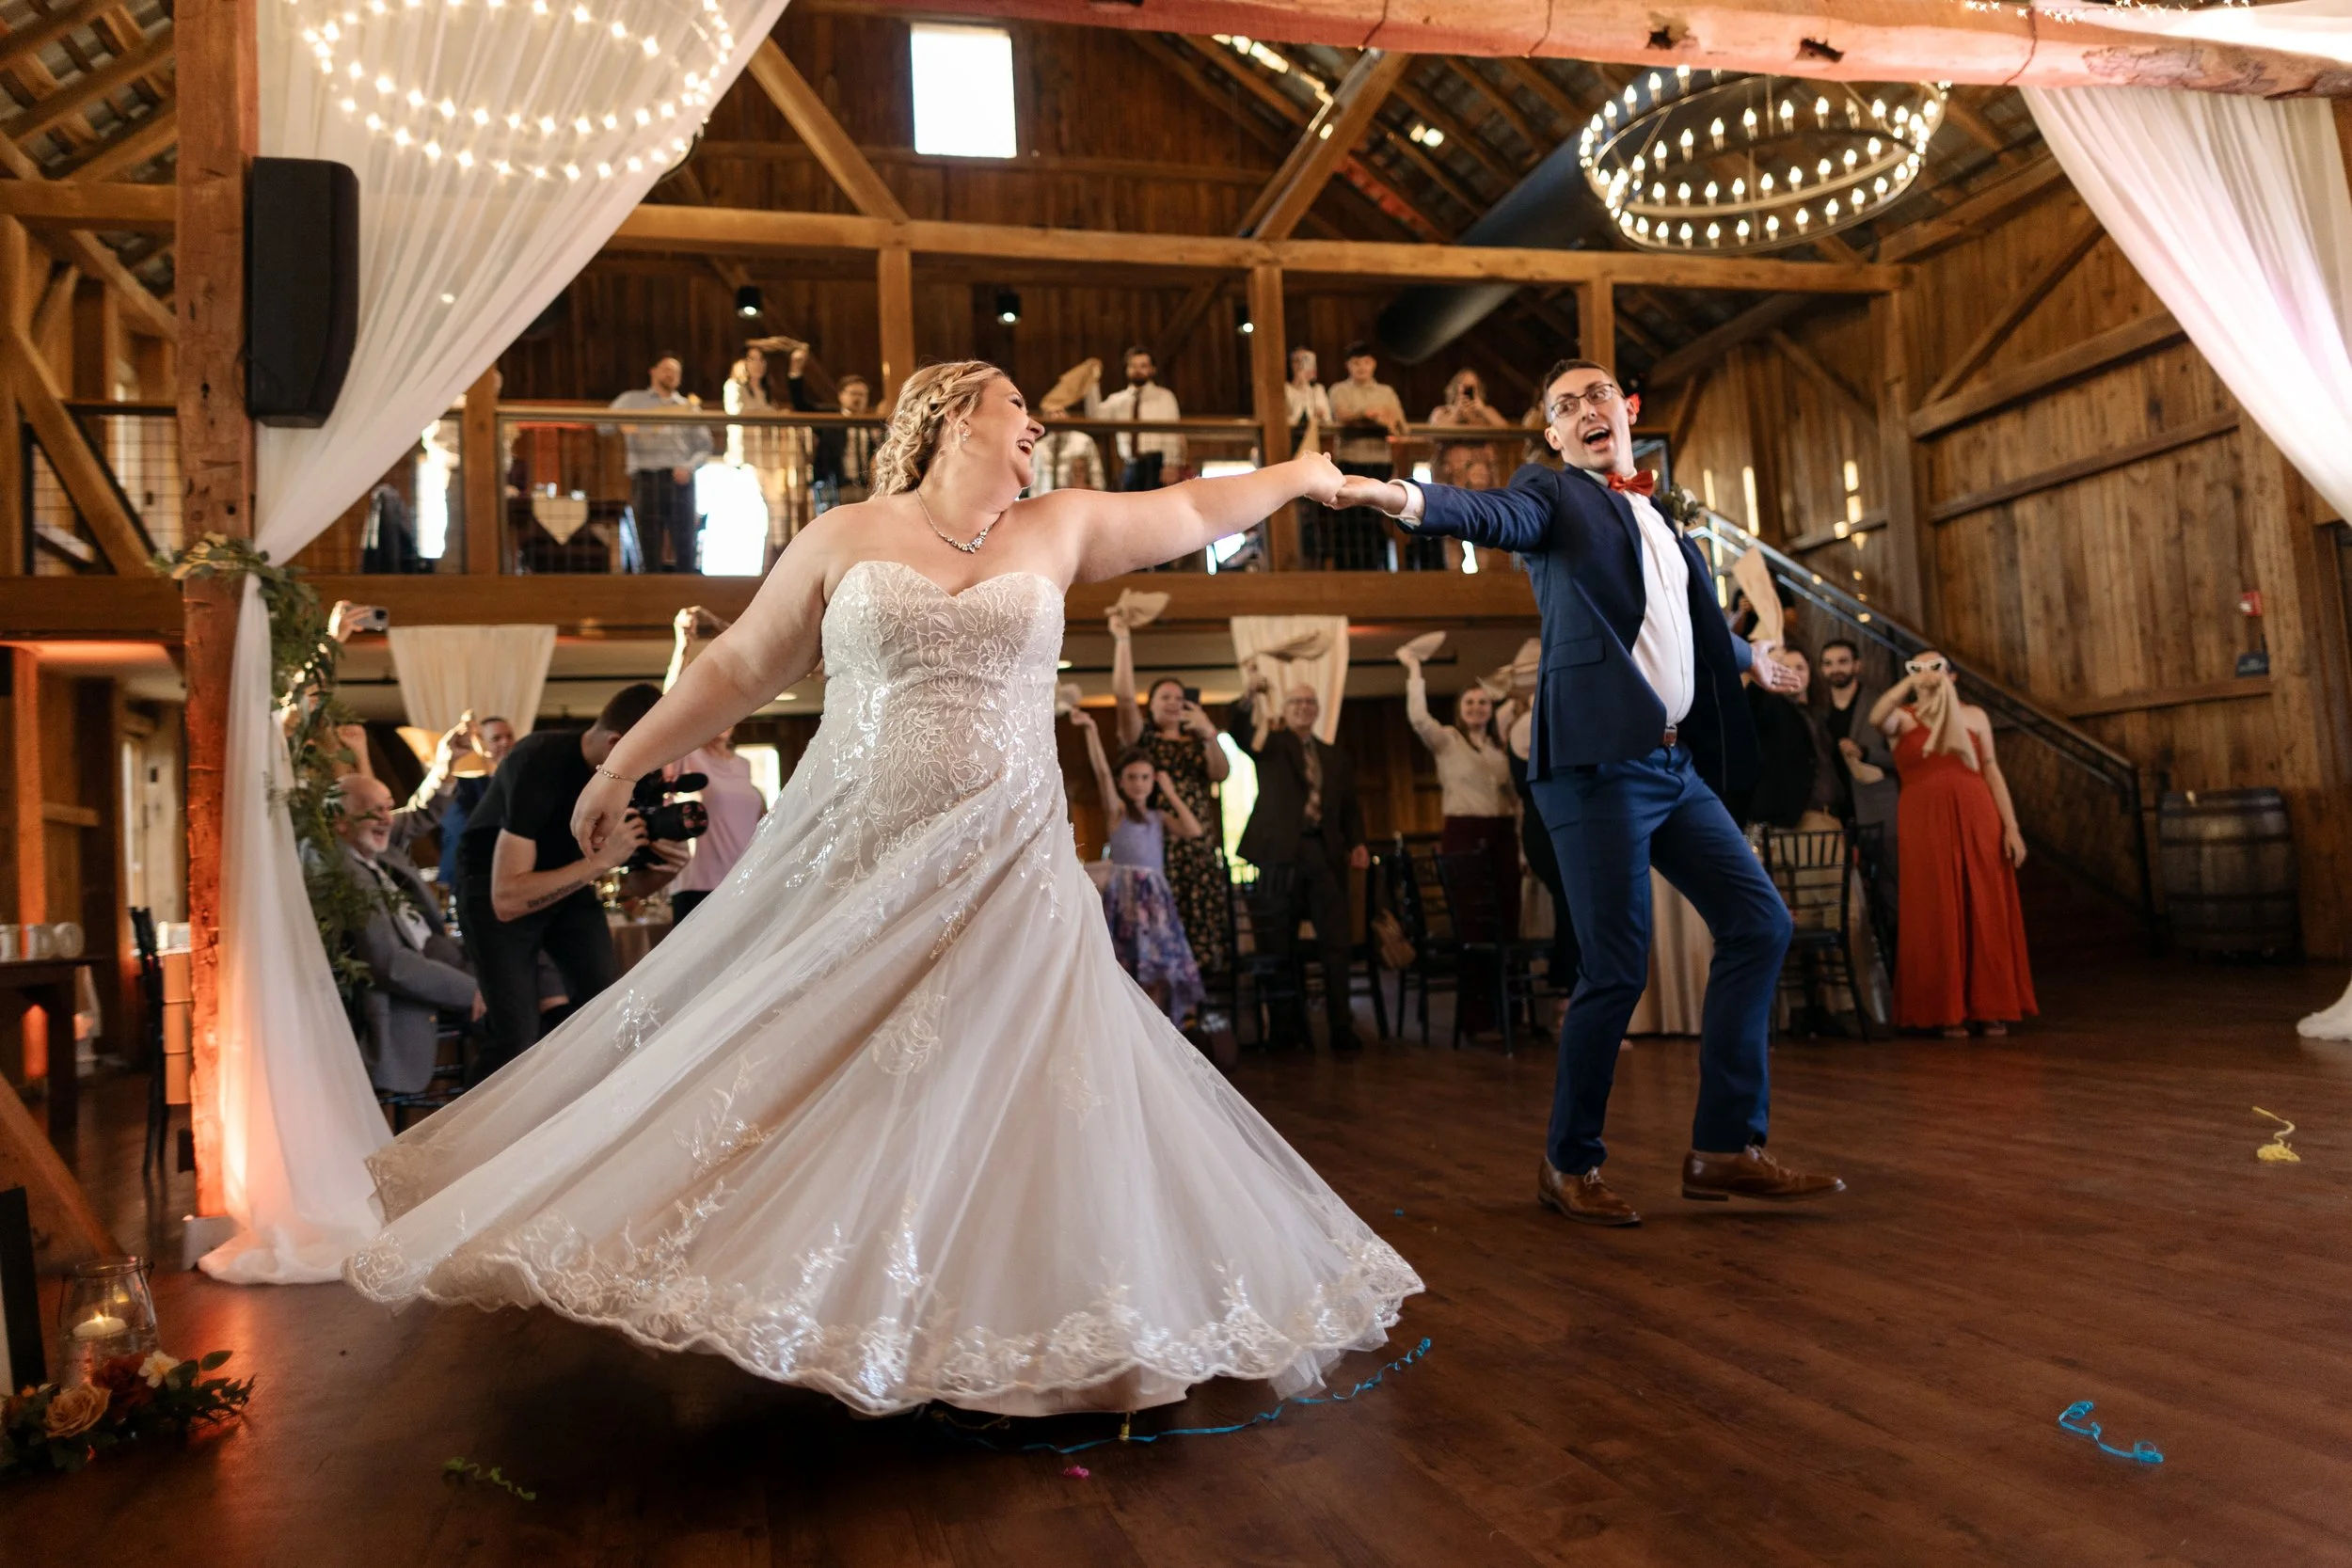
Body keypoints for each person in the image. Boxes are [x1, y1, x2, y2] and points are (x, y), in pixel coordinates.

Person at [346, 359, 1419, 1420]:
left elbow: (1188, 503)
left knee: (1022, 1079)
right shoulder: (845, 534)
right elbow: (736, 668)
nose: (1036, 425)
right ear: (953, 413)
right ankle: (848, 1304)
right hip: (860, 853)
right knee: (826, 1067)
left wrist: (1293, 473)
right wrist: (623, 763)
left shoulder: (1061, 524)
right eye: (1018, 405)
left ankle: (1051, 1332)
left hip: (1009, 860)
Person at [1334, 355, 1845, 1227]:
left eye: (1596, 394)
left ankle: (1725, 1146)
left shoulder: (1663, 523)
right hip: (1593, 767)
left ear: (1628, 408)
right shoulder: (1552, 495)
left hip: (1674, 768)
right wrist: (1394, 496)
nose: (1584, 410)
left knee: (1758, 921)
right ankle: (1569, 1162)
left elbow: (1697, 630)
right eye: (1564, 405)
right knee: (1616, 968)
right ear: (1554, 435)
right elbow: (1487, 511)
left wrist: (1761, 657)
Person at [452, 684, 691, 1076]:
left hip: (571, 886)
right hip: (494, 889)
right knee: (517, 1034)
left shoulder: (632, 778)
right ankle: (475, 1136)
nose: (650, 773)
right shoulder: (537, 760)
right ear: (616, 743)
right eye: (647, 759)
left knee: (603, 1009)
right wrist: (602, 864)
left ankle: (579, 1122)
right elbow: (507, 899)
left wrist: (665, 871)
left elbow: (631, 895)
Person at [1870, 651, 2037, 1037]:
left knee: (1985, 901)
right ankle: (1946, 1009)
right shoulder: (1903, 718)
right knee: (1936, 904)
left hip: (1977, 813)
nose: (1928, 673)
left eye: (1935, 666)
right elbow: (1877, 717)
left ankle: (1990, 1005)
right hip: (1924, 819)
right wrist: (1909, 685)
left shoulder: (1975, 716)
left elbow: (1991, 769)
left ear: (1952, 676)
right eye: (1918, 666)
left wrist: (2011, 827)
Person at [1229, 675, 1371, 1052]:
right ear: (1285, 710)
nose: (1303, 708)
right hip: (1278, 856)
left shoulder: (1333, 754)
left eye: (1309, 702)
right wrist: (1250, 697)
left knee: (1335, 943)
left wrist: (1357, 843)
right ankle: (1287, 1030)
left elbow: (1350, 806)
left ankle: (1342, 1026)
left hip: (1324, 854)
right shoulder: (1271, 744)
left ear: (1318, 709)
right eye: (1296, 703)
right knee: (1279, 942)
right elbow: (1240, 734)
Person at [327, 774, 485, 1096]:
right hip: (406, 988)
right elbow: (392, 965)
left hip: (442, 953)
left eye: (389, 808)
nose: (388, 818)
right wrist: (472, 991)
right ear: (339, 821)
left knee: (533, 970)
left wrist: (445, 766)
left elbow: (420, 814)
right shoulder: (345, 875)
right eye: (376, 810)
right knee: (512, 1016)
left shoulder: (372, 845)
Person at [1397, 643, 1518, 1032]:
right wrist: (1415, 669)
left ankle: (1509, 1014)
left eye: (1483, 703)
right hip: (1464, 839)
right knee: (1473, 926)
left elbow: (1514, 798)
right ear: (1460, 709)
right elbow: (1418, 717)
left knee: (1507, 924)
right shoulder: (1447, 740)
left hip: (1501, 837)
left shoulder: (1503, 749)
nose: (1477, 708)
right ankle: (1476, 1017)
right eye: (1470, 703)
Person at [1108, 611, 1232, 975]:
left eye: (1179, 697)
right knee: (1162, 930)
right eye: (1165, 696)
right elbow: (1124, 699)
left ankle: (1197, 1012)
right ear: (1153, 704)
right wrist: (1123, 640)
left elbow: (1220, 774)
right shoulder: (1143, 739)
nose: (1174, 702)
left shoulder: (1198, 741)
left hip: (1196, 842)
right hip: (1159, 845)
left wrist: (1210, 731)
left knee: (1198, 927)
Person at [1072, 707, 1206, 1022]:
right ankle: (1131, 1024)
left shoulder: (1158, 817)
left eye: (1145, 777)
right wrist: (1091, 729)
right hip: (1126, 899)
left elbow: (1194, 830)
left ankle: (1157, 1025)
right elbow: (1103, 773)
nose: (1139, 784)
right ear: (1122, 781)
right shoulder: (1118, 813)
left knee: (1159, 966)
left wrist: (1170, 791)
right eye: (1132, 777)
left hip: (1155, 901)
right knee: (1129, 966)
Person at [662, 601, 768, 924]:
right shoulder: (691, 754)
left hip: (744, 886)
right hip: (699, 888)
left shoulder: (742, 765)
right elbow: (669, 710)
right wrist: (683, 644)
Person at [605, 353, 714, 573]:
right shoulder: (631, 400)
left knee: (685, 544)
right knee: (648, 543)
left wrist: (689, 467)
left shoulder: (689, 407)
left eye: (675, 371)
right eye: (666, 368)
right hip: (647, 479)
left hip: (680, 480)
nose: (670, 374)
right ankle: (650, 596)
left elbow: (705, 446)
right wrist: (621, 422)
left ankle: (687, 598)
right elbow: (603, 426)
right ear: (652, 371)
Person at [1817, 638, 1900, 918]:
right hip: (1836, 809)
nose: (1835, 669)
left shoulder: (1878, 703)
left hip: (1876, 806)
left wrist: (1864, 752)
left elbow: (1902, 758)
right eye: (1828, 664)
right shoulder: (1818, 709)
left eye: (1842, 661)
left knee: (1889, 886)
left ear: (1857, 665)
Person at [1325, 341, 1412, 569]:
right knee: (1348, 519)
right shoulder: (1339, 390)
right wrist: (1370, 414)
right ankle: (1347, 570)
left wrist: (1381, 419)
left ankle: (1378, 567)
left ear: (1373, 364)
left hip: (1379, 462)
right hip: (1349, 461)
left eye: (1365, 362)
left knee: (1375, 518)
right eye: (1356, 363)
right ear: (1348, 366)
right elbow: (1342, 415)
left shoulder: (1386, 392)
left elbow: (1399, 425)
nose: (1361, 367)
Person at [1738, 647, 1841, 830]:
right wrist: (1760, 675)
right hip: (1791, 817)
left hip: (1827, 814)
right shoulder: (1772, 707)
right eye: (1784, 667)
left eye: (1800, 667)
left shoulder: (1818, 714)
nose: (1793, 673)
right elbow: (1752, 708)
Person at [724, 344, 795, 558]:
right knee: (755, 512)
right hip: (747, 456)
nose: (758, 364)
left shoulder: (766, 391)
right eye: (752, 359)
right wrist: (771, 414)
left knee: (776, 508)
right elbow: (739, 412)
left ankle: (773, 556)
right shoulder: (734, 386)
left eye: (761, 360)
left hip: (768, 455)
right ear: (743, 363)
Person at [1086, 346, 1184, 492]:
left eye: (1143, 366)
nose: (1138, 370)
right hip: (1130, 463)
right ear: (1127, 369)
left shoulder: (1164, 396)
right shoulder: (1118, 400)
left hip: (1156, 462)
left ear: (1152, 369)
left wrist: (1171, 464)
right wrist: (1091, 384)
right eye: (1133, 366)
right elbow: (1095, 417)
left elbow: (1172, 432)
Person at [437, 716, 516, 892]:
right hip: (467, 877)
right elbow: (461, 827)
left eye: (509, 736)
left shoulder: (522, 781)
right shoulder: (461, 783)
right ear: (481, 744)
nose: (505, 742)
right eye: (496, 738)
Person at [1428, 368, 1515, 491]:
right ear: (1456, 388)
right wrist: (1456, 415)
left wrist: (1482, 410)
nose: (1469, 393)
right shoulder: (1443, 412)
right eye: (1465, 387)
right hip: (1450, 484)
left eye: (1473, 388)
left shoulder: (1487, 412)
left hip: (1484, 486)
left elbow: (1507, 431)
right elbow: (1433, 432)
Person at [1285, 345, 1333, 436]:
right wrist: (1299, 383)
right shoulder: (1285, 389)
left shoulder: (1318, 389)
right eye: (1297, 361)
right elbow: (1288, 416)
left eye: (1305, 360)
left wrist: (1307, 385)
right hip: (1290, 437)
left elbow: (1326, 418)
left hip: (1314, 438)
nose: (1301, 365)